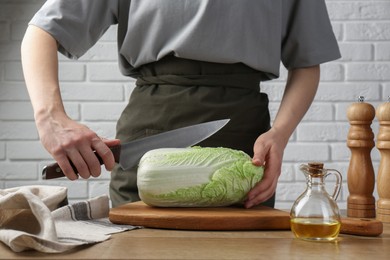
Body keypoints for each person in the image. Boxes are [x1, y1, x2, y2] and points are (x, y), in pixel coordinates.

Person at [21, 0, 340, 208]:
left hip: (244, 144)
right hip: (148, 134)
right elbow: (42, 30)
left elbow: (307, 62)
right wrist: (50, 118)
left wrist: (280, 134)